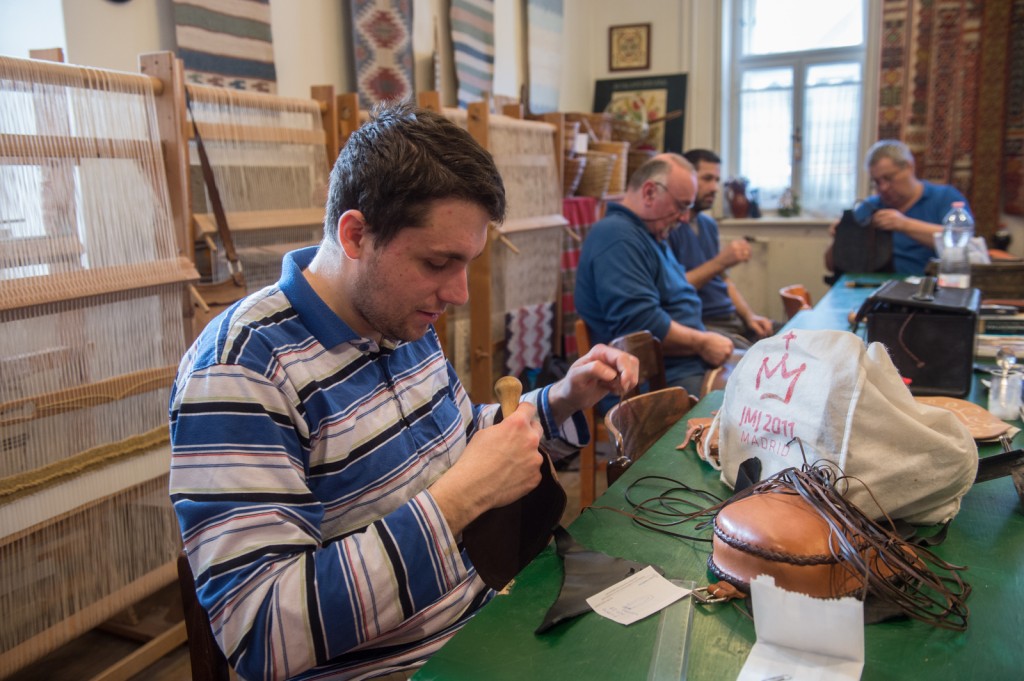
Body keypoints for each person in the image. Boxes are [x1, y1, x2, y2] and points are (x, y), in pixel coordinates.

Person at [168, 102, 638, 681]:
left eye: (467, 263)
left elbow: (461, 443)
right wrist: (458, 500)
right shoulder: (241, 370)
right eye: (439, 262)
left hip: (484, 620)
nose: (459, 293)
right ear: (356, 234)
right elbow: (262, 634)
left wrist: (562, 399)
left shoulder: (399, 318)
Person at [574, 154, 734, 397]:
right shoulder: (617, 237)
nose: (684, 217)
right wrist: (702, 343)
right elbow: (641, 326)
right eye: (681, 206)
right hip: (659, 384)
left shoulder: (649, 233)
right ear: (649, 193)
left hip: (686, 368)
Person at [667, 149, 775, 347]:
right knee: (766, 359)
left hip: (732, 318)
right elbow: (674, 289)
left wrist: (749, 316)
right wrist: (720, 261)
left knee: (790, 337)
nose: (714, 188)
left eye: (717, 180)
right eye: (707, 179)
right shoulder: (668, 227)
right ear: (687, 180)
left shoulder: (708, 225)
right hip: (704, 324)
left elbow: (724, 280)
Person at [825, 139, 971, 276]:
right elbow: (831, 266)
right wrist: (840, 236)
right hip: (872, 287)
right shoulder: (870, 207)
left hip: (925, 286)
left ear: (909, 167)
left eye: (888, 178)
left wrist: (904, 225)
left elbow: (963, 245)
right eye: (877, 182)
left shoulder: (945, 197)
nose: (883, 187)